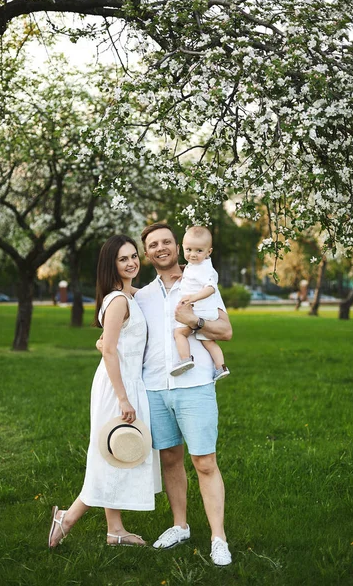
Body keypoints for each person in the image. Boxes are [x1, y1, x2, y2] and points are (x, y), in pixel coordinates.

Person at [107, 223, 233, 566]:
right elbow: (122, 334)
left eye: (166, 242)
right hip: (155, 390)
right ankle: (180, 526)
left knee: (204, 462)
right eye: (153, 245)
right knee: (170, 460)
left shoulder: (200, 283)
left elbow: (226, 330)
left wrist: (194, 322)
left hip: (195, 387)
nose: (160, 248)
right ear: (147, 254)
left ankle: (218, 538)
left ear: (177, 247)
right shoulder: (141, 296)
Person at [48, 235, 161, 549]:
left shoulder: (129, 295)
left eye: (134, 256)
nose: (132, 263)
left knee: (118, 453)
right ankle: (67, 518)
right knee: (109, 454)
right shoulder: (119, 300)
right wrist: (123, 397)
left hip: (128, 381)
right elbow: (109, 351)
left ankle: (115, 530)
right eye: (123, 259)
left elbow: (155, 295)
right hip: (117, 385)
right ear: (111, 265)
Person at [170, 225, 230, 381]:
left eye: (199, 251)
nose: (193, 255)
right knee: (208, 341)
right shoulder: (197, 266)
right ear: (182, 248)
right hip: (205, 311)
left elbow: (211, 288)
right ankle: (221, 367)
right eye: (188, 250)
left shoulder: (205, 270)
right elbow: (193, 273)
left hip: (199, 311)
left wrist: (193, 297)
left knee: (179, 333)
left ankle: (185, 359)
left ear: (208, 252)